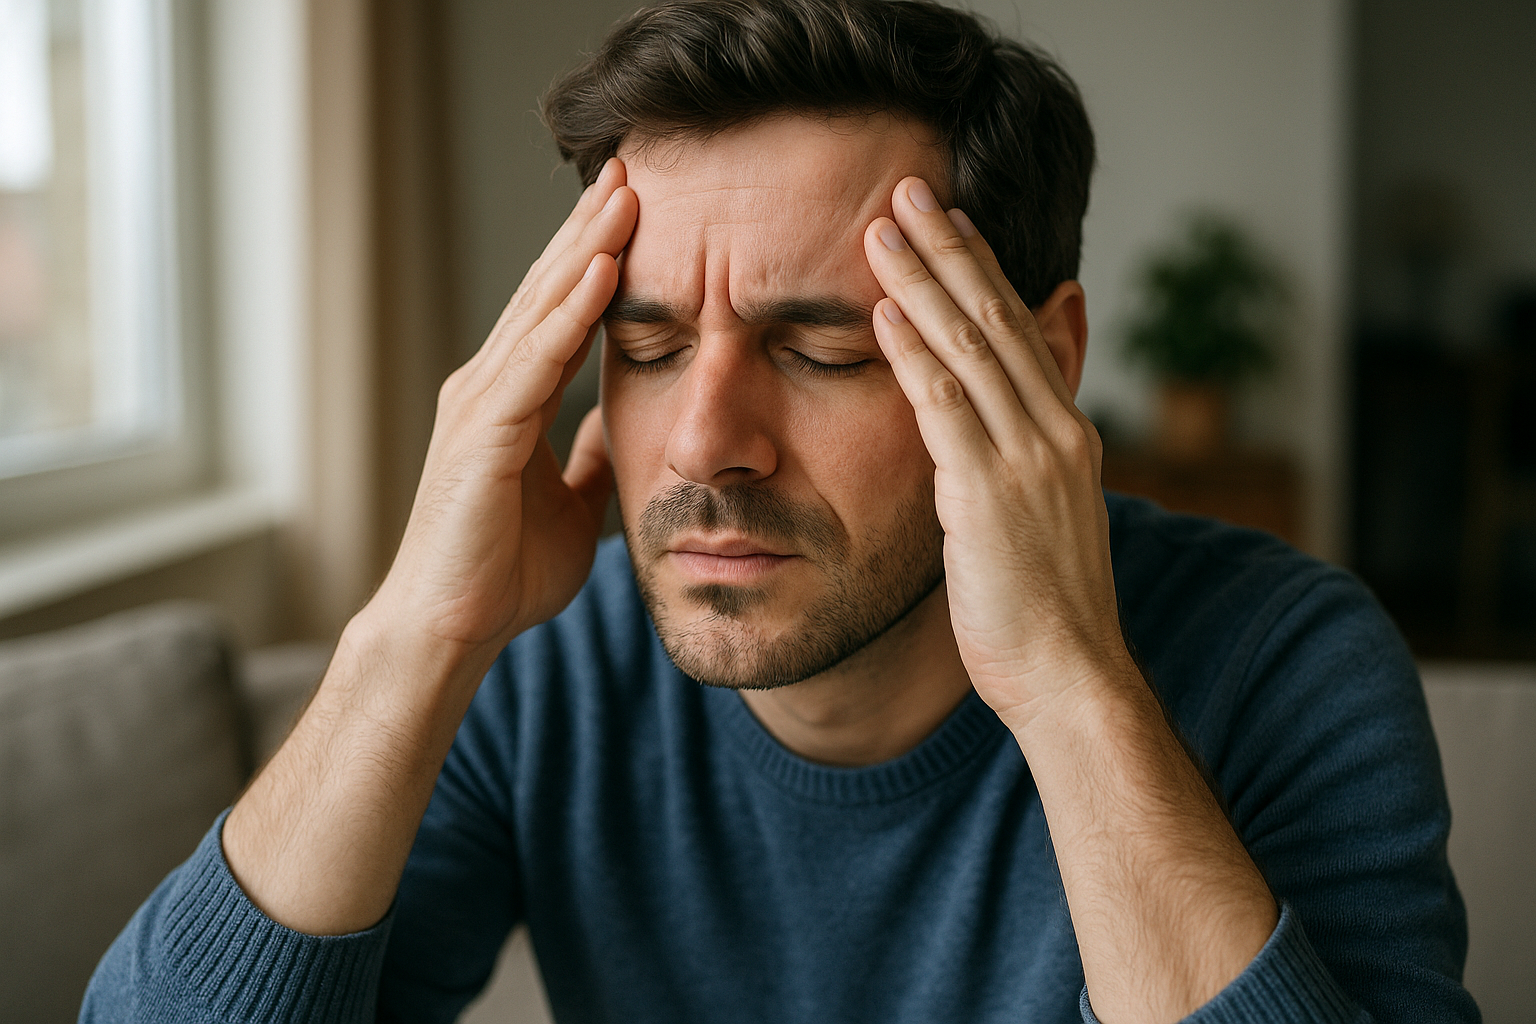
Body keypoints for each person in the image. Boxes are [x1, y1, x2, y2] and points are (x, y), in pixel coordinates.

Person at [85, 1, 1477, 1021]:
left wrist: (1067, 688)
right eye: (642, 348)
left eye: (824, 351)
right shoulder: (544, 673)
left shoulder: (1288, 660)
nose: (702, 442)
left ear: (1043, 365)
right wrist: (415, 635)